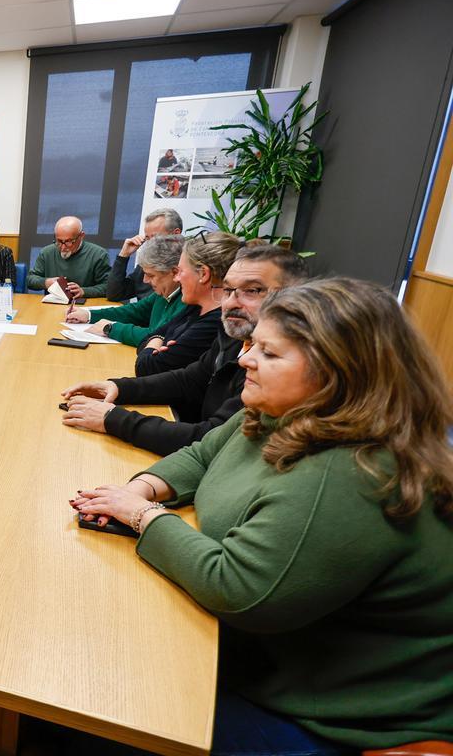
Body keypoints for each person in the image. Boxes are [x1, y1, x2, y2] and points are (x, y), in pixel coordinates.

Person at [68, 277, 453, 754]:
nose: (245, 359)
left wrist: (144, 516)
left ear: (339, 372)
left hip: (327, 714)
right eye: (252, 346)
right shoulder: (281, 409)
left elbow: (237, 590)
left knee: (104, 700)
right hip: (269, 656)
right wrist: (138, 488)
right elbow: (203, 454)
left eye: (269, 354)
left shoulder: (352, 470)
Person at [61, 245, 307, 456]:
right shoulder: (235, 333)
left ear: (295, 298)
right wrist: (119, 387)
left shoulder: (282, 367)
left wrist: (113, 419)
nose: (231, 302)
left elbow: (211, 438)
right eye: (229, 290)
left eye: (252, 290)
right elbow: (190, 378)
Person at [130, 231, 241, 377]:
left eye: (180, 271)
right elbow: (149, 337)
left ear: (203, 274)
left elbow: (147, 367)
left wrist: (158, 340)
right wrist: (159, 339)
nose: (176, 278)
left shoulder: (215, 322)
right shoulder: (195, 307)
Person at [64, 234, 186, 348]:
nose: (145, 280)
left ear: (174, 273)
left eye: (151, 275)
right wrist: (89, 315)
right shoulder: (163, 292)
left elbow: (157, 336)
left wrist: (111, 328)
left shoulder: (187, 300)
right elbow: (133, 311)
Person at [105, 208, 183, 301]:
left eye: (155, 237)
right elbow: (114, 294)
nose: (149, 243)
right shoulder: (147, 263)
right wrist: (123, 255)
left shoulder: (185, 267)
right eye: (147, 238)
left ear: (176, 234)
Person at [25, 216, 110, 298]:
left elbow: (107, 287)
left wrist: (84, 291)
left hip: (84, 306)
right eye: (59, 241)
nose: (63, 247)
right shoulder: (47, 252)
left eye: (69, 242)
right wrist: (46, 282)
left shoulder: (98, 254)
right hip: (53, 305)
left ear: (81, 236)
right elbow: (30, 280)